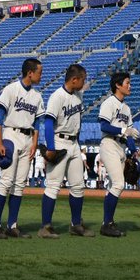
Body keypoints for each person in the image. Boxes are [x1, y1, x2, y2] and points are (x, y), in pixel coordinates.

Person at [0, 58, 43, 239]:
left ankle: (12, 225)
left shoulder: (37, 96)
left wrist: (35, 143)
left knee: (19, 185)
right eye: (39, 72)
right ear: (30, 73)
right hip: (11, 135)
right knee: (5, 182)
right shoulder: (11, 89)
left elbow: (36, 122)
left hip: (28, 139)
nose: (40, 75)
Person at [39, 63, 92, 238]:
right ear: (74, 79)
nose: (84, 82)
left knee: (78, 186)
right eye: (82, 79)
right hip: (59, 141)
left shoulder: (78, 95)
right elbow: (48, 123)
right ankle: (45, 227)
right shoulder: (57, 96)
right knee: (53, 186)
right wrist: (51, 148)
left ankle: (76, 224)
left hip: (74, 143)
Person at [97, 72, 137, 237]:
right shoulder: (109, 103)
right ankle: (106, 224)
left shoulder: (126, 108)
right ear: (118, 85)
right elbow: (104, 126)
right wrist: (123, 130)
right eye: (127, 83)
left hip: (120, 147)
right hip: (109, 144)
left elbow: (128, 136)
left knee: (113, 186)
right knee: (119, 184)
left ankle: (108, 222)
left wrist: (134, 151)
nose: (130, 86)